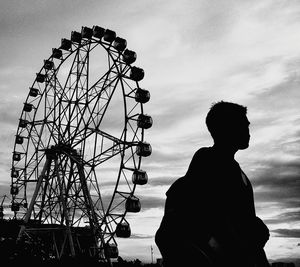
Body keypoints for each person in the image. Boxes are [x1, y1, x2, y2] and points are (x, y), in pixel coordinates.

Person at [155, 101, 270, 267]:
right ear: (228, 128)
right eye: (243, 125)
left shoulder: (233, 171)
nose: (248, 131)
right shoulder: (209, 162)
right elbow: (215, 217)